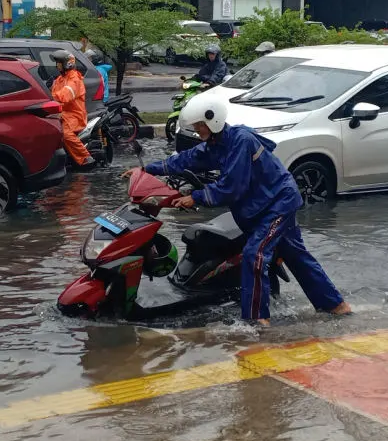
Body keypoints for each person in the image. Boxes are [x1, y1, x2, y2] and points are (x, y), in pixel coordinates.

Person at [126, 95, 351, 325]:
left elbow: (232, 187)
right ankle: (335, 305)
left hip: (277, 204)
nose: (197, 130)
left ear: (212, 122)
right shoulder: (217, 144)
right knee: (296, 255)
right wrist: (147, 170)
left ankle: (257, 321)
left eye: (199, 126)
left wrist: (194, 198)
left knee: (255, 255)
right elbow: (186, 159)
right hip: (262, 205)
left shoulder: (240, 141)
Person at [50, 49, 93, 170]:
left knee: (66, 134)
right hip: (61, 113)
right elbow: (52, 94)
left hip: (74, 115)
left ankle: (85, 158)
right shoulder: (59, 79)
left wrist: (50, 98)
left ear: (67, 64)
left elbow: (65, 95)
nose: (57, 65)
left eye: (59, 62)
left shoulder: (75, 79)